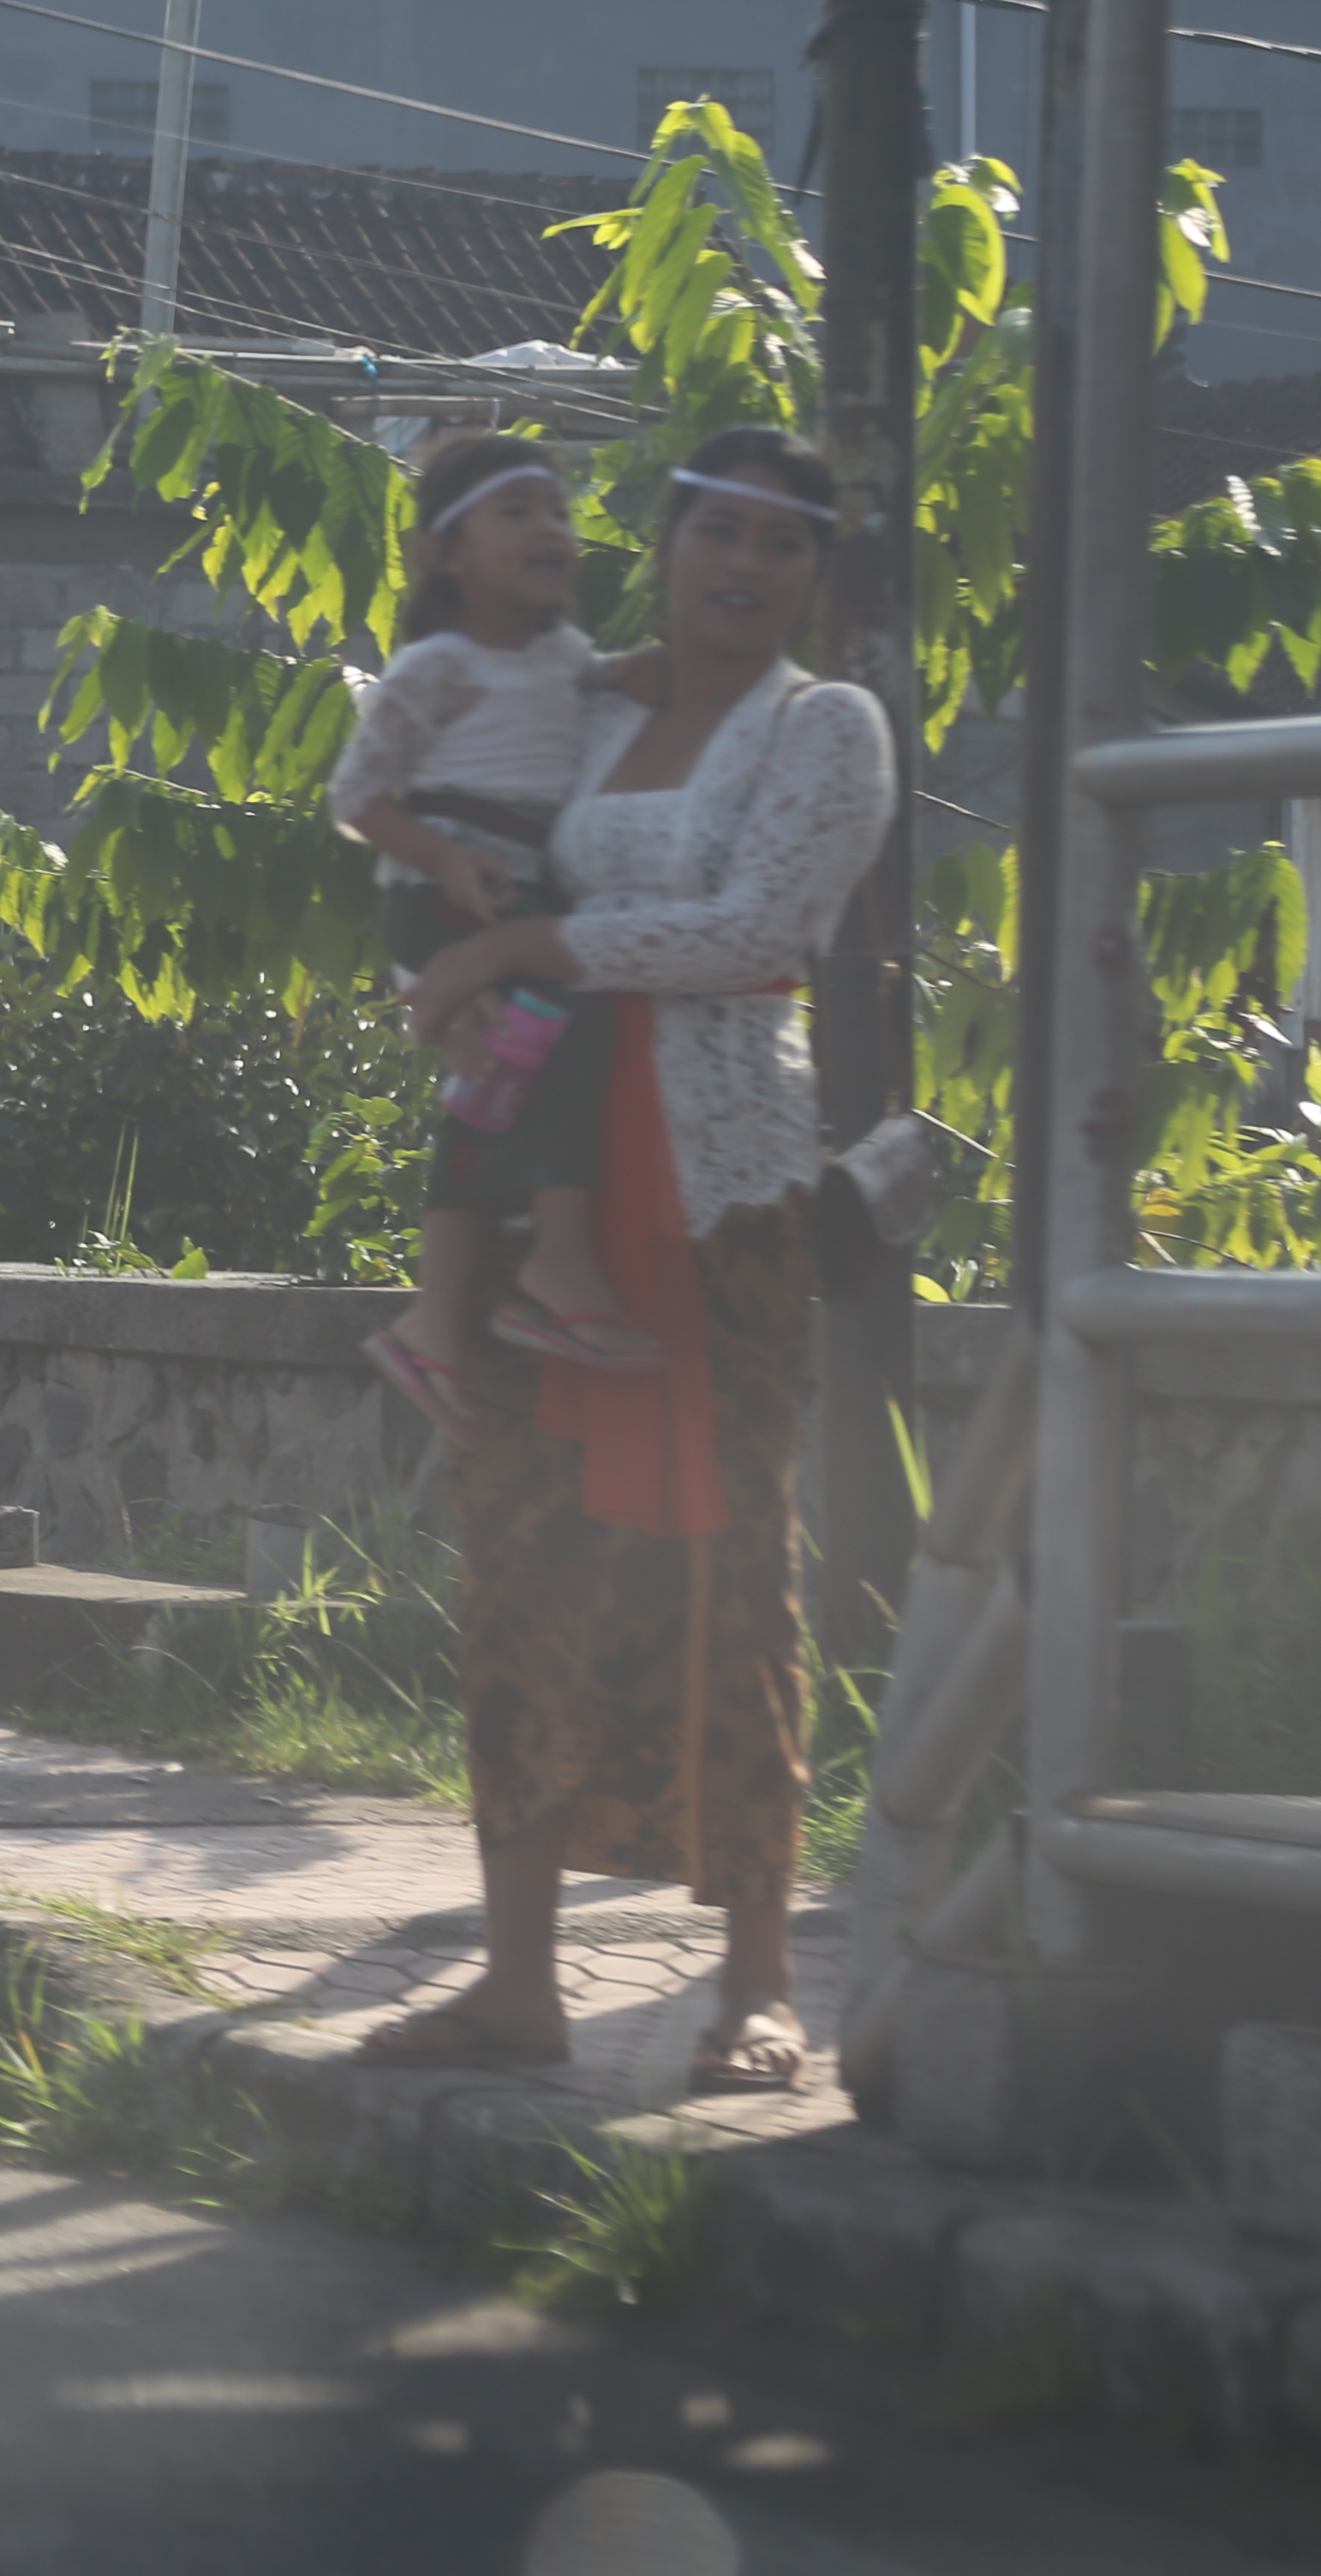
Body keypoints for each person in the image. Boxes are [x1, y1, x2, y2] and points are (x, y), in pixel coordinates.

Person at [351, 428, 894, 2098]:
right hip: (543, 1203)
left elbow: (758, 934)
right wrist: (460, 946)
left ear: (815, 575)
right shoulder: (579, 703)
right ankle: (519, 1980)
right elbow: (451, 822)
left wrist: (533, 944)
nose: (742, 567)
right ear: (660, 547)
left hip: (723, 1204)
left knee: (733, 1577)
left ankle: (756, 1983)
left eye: (778, 546)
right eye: (713, 533)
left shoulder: (827, 729)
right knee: (518, 1564)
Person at [331, 432, 656, 1439]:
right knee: (575, 1028)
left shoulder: (564, 657)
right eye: (517, 512)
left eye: (558, 512)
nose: (549, 530)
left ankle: (437, 1319)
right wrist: (443, 862)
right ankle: (554, 1258)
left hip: (517, 892)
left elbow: (593, 689)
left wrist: (643, 673)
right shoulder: (435, 667)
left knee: (494, 1091)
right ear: (446, 552)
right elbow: (357, 798)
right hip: (449, 896)